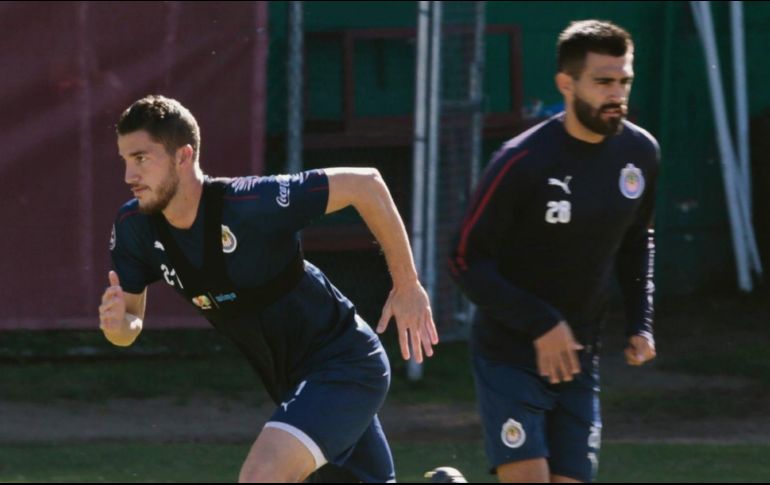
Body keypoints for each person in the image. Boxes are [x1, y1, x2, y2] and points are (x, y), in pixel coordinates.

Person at [98, 95, 438, 483]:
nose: (129, 176)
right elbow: (129, 323)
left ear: (182, 156)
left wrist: (408, 285)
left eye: (141, 158)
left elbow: (366, 184)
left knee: (262, 476)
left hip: (346, 364)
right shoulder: (134, 228)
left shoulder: (249, 205)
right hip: (296, 386)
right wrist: (116, 328)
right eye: (125, 160)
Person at [448, 20, 658, 483]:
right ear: (567, 84)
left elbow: (637, 237)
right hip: (509, 351)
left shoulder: (641, 154)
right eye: (603, 81)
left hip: (581, 354)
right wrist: (541, 323)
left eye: (624, 80)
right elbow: (464, 258)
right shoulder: (521, 161)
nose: (616, 93)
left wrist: (641, 322)